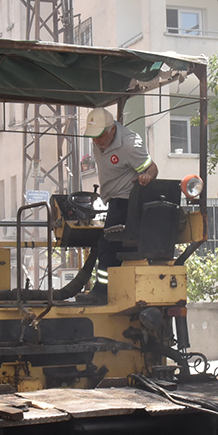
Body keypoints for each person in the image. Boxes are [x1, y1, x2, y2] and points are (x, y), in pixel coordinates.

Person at [80, 107, 158, 303]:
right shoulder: (98, 142)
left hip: (126, 200)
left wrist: (146, 177)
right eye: (93, 137)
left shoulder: (129, 144)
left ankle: (101, 292)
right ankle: (113, 287)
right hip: (112, 200)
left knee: (107, 244)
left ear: (113, 130)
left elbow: (152, 167)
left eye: (100, 136)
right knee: (107, 244)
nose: (97, 141)